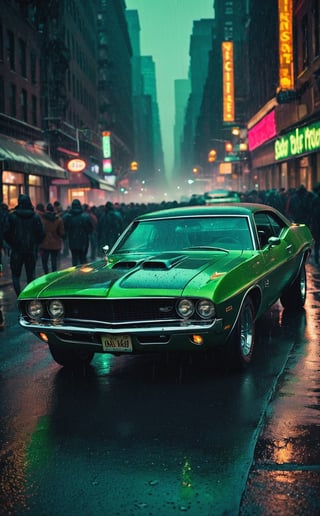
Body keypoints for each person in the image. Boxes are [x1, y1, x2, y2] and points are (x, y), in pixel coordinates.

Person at [4, 194, 45, 296]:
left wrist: (12, 243)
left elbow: (6, 233)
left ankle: (19, 295)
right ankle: (29, 296)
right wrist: (35, 243)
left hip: (17, 250)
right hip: (31, 250)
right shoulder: (35, 217)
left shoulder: (12, 216)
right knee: (30, 275)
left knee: (16, 275)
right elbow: (41, 233)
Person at [62, 199, 93, 266]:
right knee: (83, 259)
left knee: (74, 259)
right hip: (83, 242)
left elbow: (65, 228)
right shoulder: (85, 217)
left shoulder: (68, 217)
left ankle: (76, 274)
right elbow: (90, 230)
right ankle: (83, 274)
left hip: (73, 241)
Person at [39, 203, 65, 274]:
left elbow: (39, 231)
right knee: (54, 260)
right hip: (55, 244)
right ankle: (53, 275)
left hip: (44, 244)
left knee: (44, 261)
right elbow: (61, 233)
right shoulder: (59, 220)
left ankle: (46, 274)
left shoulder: (42, 219)